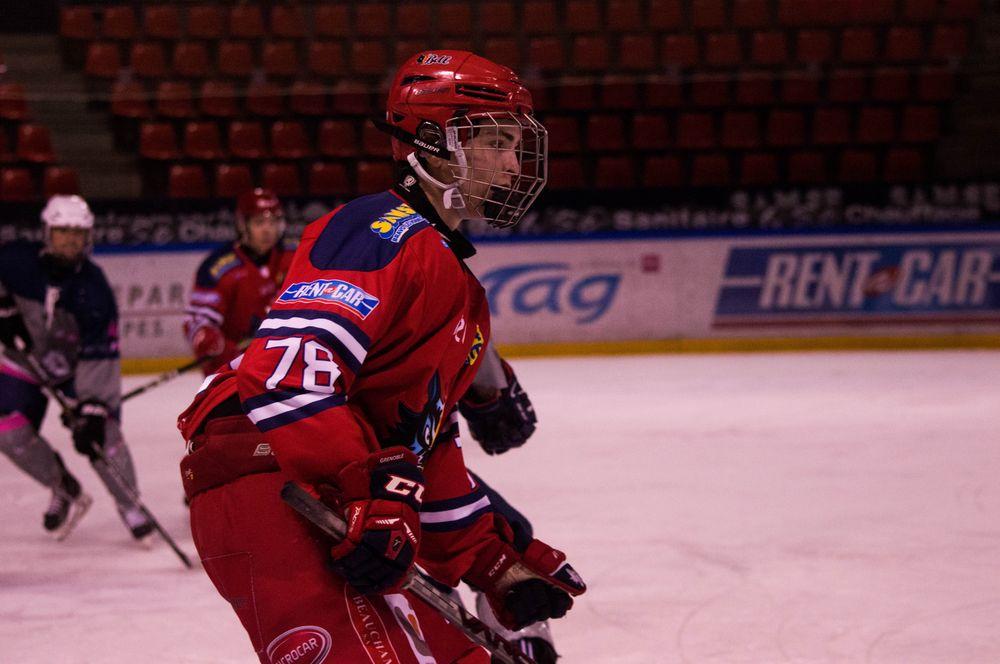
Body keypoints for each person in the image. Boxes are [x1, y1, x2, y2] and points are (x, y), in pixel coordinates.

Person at [177, 51, 585, 664]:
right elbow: (288, 377)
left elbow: (424, 442)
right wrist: (370, 484)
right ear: (432, 138)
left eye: (514, 143)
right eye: (496, 140)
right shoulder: (377, 229)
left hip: (331, 491)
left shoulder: (461, 291)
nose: (512, 162)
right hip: (265, 473)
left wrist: (490, 561)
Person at [0, 195, 152, 541]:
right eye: (62, 231)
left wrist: (93, 408)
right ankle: (63, 487)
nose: (70, 239)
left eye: (78, 232)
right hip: (25, 362)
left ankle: (129, 503)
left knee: (102, 437)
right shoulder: (16, 261)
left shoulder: (94, 290)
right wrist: (4, 309)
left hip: (75, 370)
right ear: (47, 232)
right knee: (6, 430)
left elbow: (100, 357)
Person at [183, 188, 294, 375]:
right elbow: (196, 320)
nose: (267, 229)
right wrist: (208, 340)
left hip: (281, 365)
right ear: (244, 226)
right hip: (232, 370)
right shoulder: (218, 268)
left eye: (272, 222)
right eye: (259, 222)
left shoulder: (292, 258)